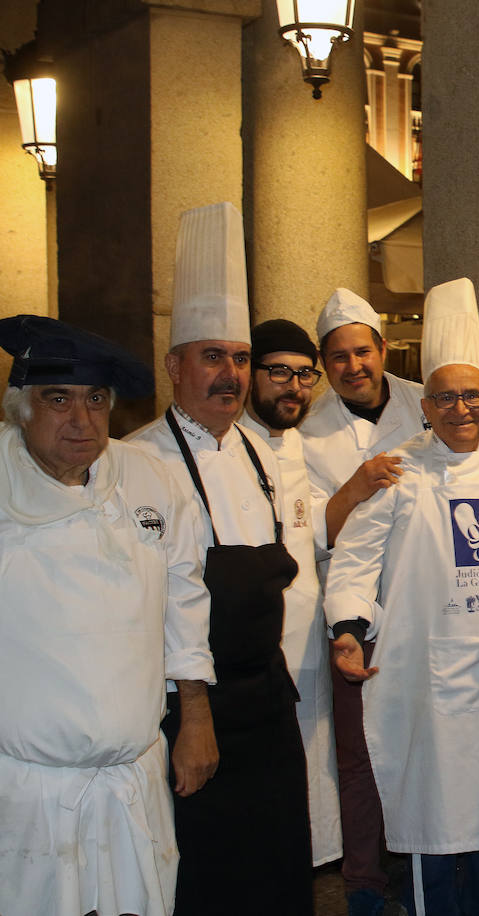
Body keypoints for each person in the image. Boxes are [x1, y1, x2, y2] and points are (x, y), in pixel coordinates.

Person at [325, 278, 479, 916]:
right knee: (431, 823)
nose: (460, 409)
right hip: (420, 676)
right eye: (444, 397)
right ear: (426, 406)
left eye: (472, 395)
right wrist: (346, 627)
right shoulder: (398, 469)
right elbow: (355, 558)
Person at [127, 202, 312, 914]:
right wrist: (194, 717)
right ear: (174, 365)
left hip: (265, 699)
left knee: (277, 866)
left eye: (239, 359)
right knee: (207, 875)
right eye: (213, 357)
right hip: (189, 708)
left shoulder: (259, 454)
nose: (230, 375)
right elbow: (165, 604)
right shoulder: (140, 462)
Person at [0, 316, 214, 916]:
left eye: (96, 400)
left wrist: (195, 715)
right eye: (58, 400)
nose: (81, 419)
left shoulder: (150, 477)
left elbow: (184, 599)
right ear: (20, 407)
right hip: (24, 789)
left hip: (131, 781)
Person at [298, 287, 427, 915]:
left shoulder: (425, 403)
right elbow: (314, 534)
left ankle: (420, 864)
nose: (353, 367)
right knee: (358, 755)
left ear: (383, 349)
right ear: (325, 366)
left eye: (362, 351)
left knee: (421, 741)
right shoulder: (307, 429)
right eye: (338, 357)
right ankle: (365, 884)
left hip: (422, 600)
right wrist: (358, 484)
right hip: (352, 611)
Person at [241, 318, 342, 868]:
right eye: (279, 371)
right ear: (250, 374)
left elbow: (319, 534)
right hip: (253, 654)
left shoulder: (303, 446)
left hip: (307, 639)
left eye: (306, 374)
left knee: (314, 774)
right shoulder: (228, 448)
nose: (294, 386)